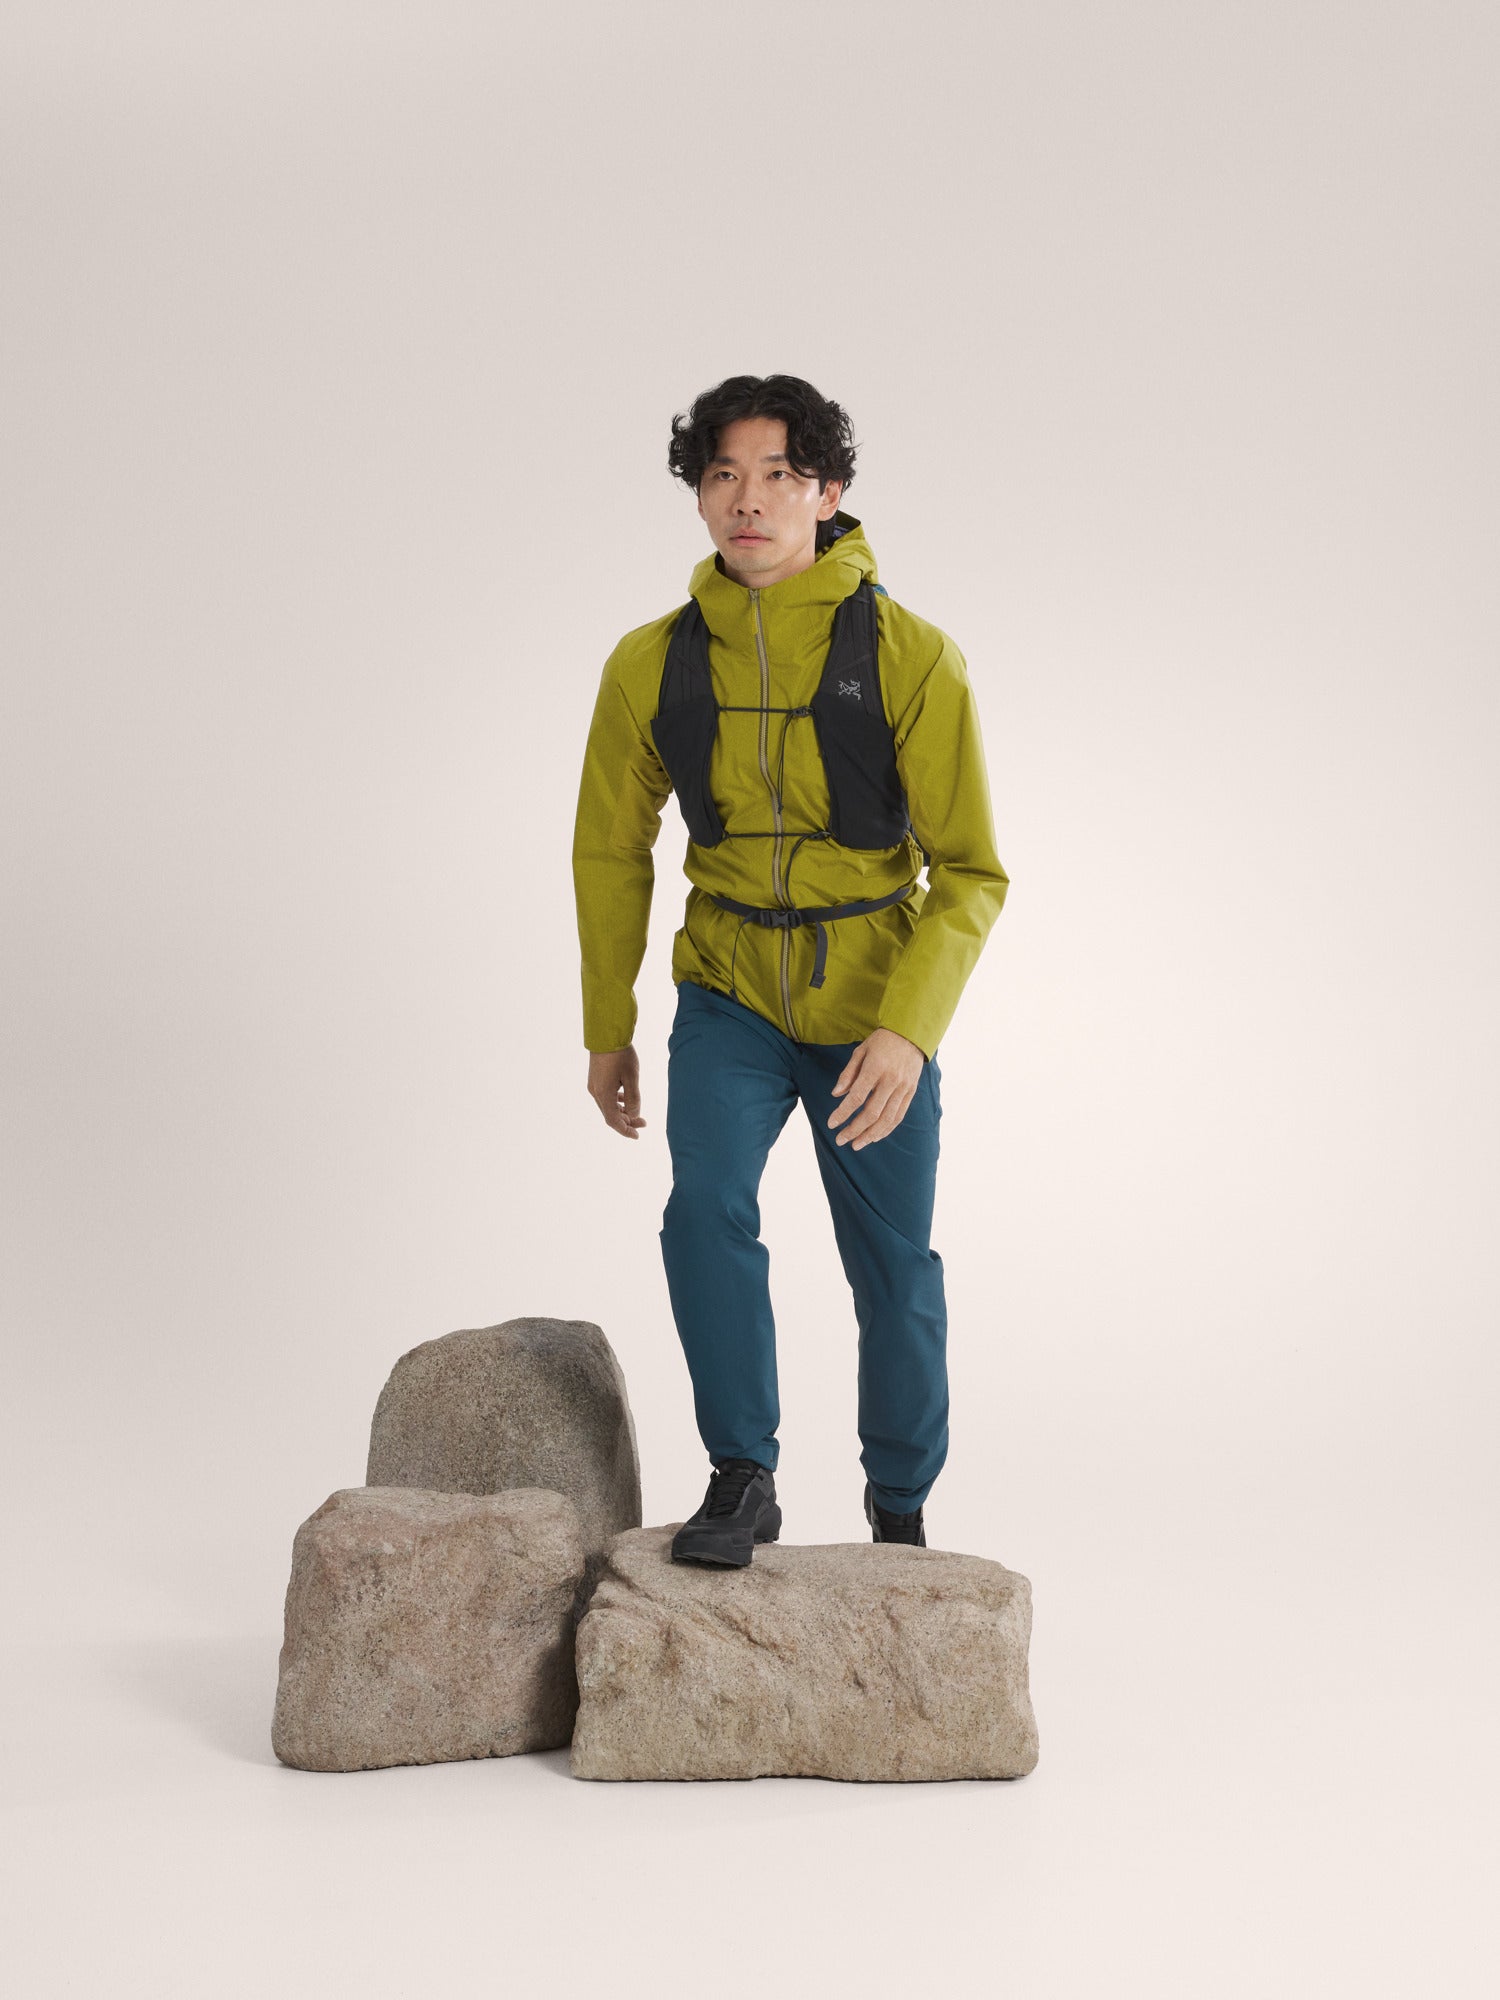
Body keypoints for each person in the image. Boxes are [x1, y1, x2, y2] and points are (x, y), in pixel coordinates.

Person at [571, 373, 1008, 1568]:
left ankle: (901, 1510)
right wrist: (608, 1023)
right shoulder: (650, 665)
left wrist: (908, 1029)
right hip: (728, 991)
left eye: (778, 474)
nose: (748, 500)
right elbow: (610, 850)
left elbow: (972, 871)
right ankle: (742, 1473)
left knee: (894, 1267)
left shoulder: (912, 657)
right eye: (723, 475)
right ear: (699, 495)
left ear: (830, 491)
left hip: (872, 999)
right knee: (703, 1207)